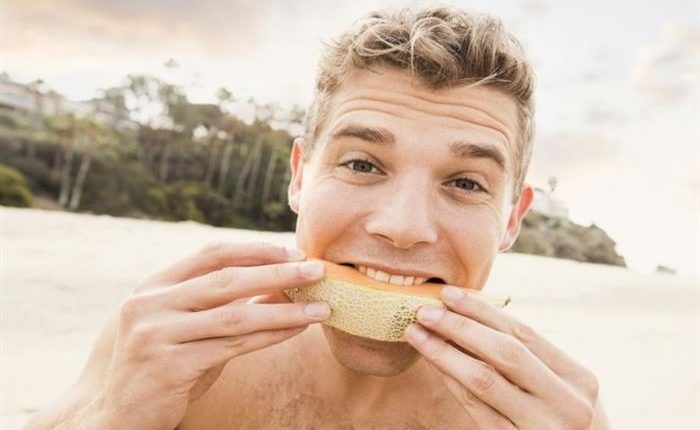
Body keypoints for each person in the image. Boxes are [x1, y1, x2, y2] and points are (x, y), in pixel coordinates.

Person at [26, 6, 609, 429]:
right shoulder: (163, 343)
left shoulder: (550, 413)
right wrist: (112, 417)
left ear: (511, 220)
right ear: (301, 177)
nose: (403, 226)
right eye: (362, 164)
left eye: (465, 183)